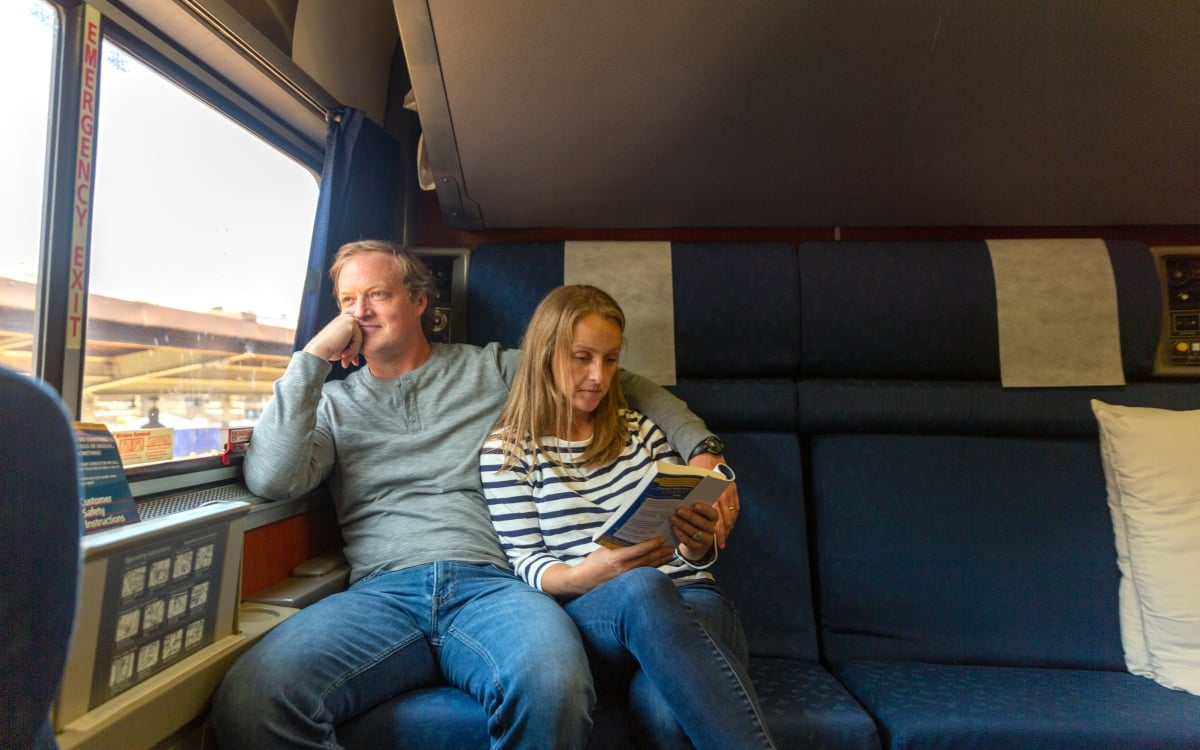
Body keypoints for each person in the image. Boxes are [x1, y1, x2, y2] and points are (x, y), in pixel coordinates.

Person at [209, 240, 734, 749]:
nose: (359, 313)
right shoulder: (331, 405)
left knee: (554, 686)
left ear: (419, 301)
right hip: (381, 593)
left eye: (377, 295)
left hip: (494, 588)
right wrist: (313, 357)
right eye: (348, 302)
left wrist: (702, 449)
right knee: (251, 701)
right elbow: (272, 480)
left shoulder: (492, 369)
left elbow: (618, 384)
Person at [480, 285, 774, 750]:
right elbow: (527, 561)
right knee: (640, 585)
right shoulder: (509, 452)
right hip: (596, 612)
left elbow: (693, 552)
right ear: (545, 354)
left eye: (611, 359)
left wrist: (697, 544)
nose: (598, 376)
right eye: (582, 358)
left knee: (661, 707)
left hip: (693, 599)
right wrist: (586, 574)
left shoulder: (640, 430)